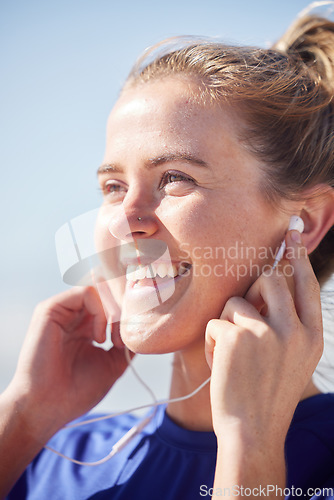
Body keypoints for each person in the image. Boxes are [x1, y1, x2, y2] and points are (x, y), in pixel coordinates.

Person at [1, 9, 334, 500]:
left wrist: (252, 444)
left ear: (304, 221)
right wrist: (26, 415)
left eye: (176, 178)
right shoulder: (49, 455)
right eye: (113, 186)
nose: (122, 220)